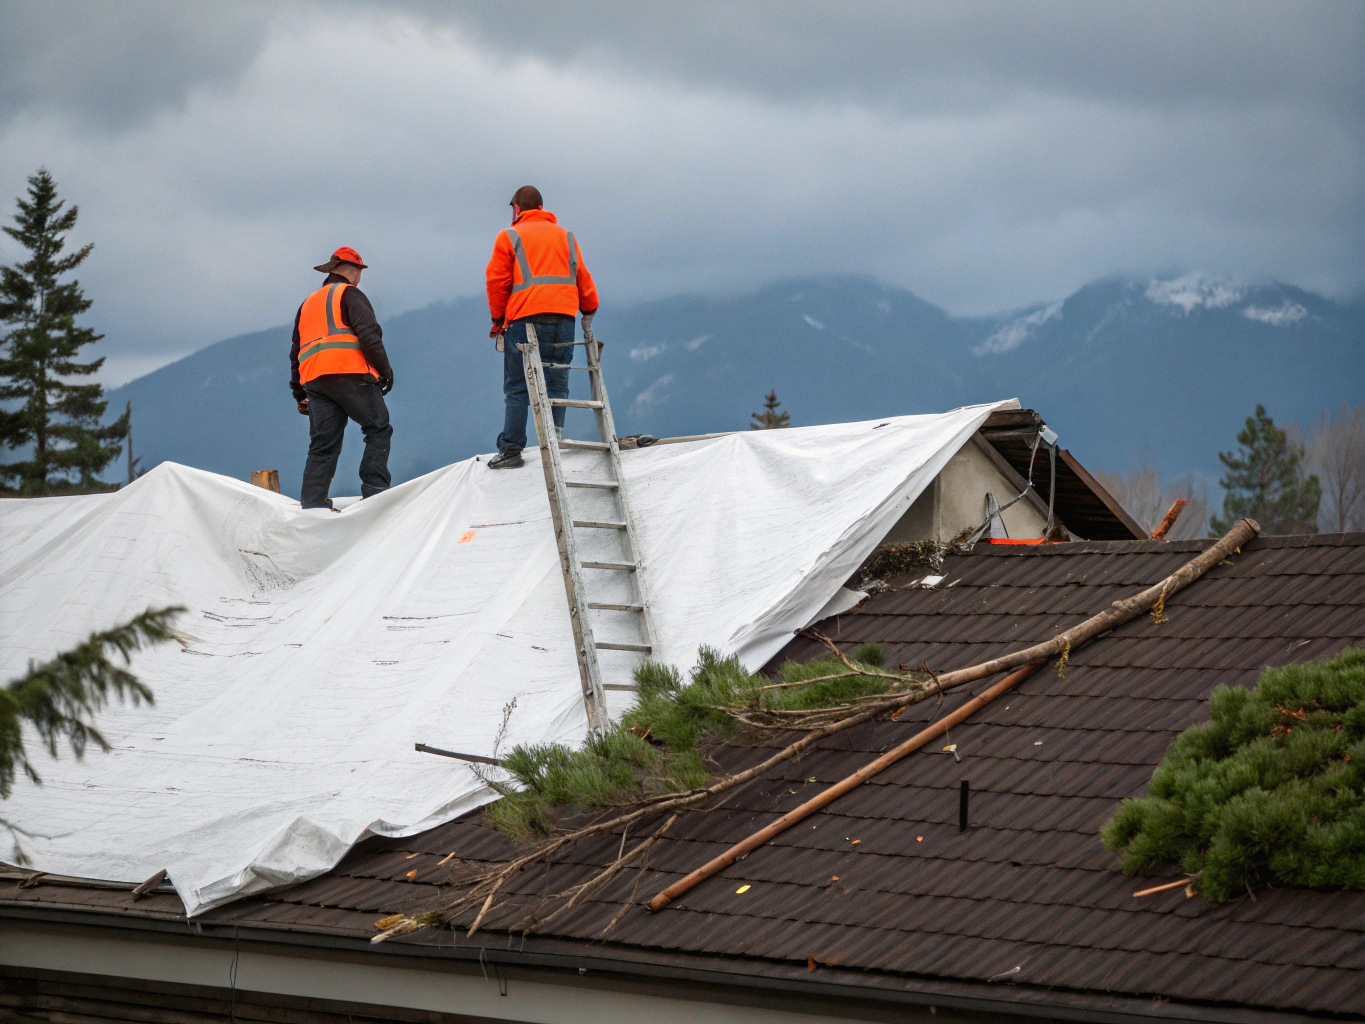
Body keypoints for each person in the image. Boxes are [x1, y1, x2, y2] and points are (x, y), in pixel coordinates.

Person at [484, 186, 599, 469]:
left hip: (525, 319)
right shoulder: (567, 237)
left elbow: (496, 282)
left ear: (516, 209)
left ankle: (511, 450)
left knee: (517, 386)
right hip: (564, 319)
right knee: (557, 380)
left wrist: (498, 319)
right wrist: (589, 308)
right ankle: (555, 440)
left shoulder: (509, 236)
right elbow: (583, 277)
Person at [289, 246, 394, 508]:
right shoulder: (351, 294)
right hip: (350, 373)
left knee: (323, 444)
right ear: (355, 271)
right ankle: (375, 492)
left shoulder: (308, 304)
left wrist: (300, 393)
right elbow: (369, 335)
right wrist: (385, 371)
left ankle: (312, 504)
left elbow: (295, 351)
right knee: (378, 427)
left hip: (315, 381)